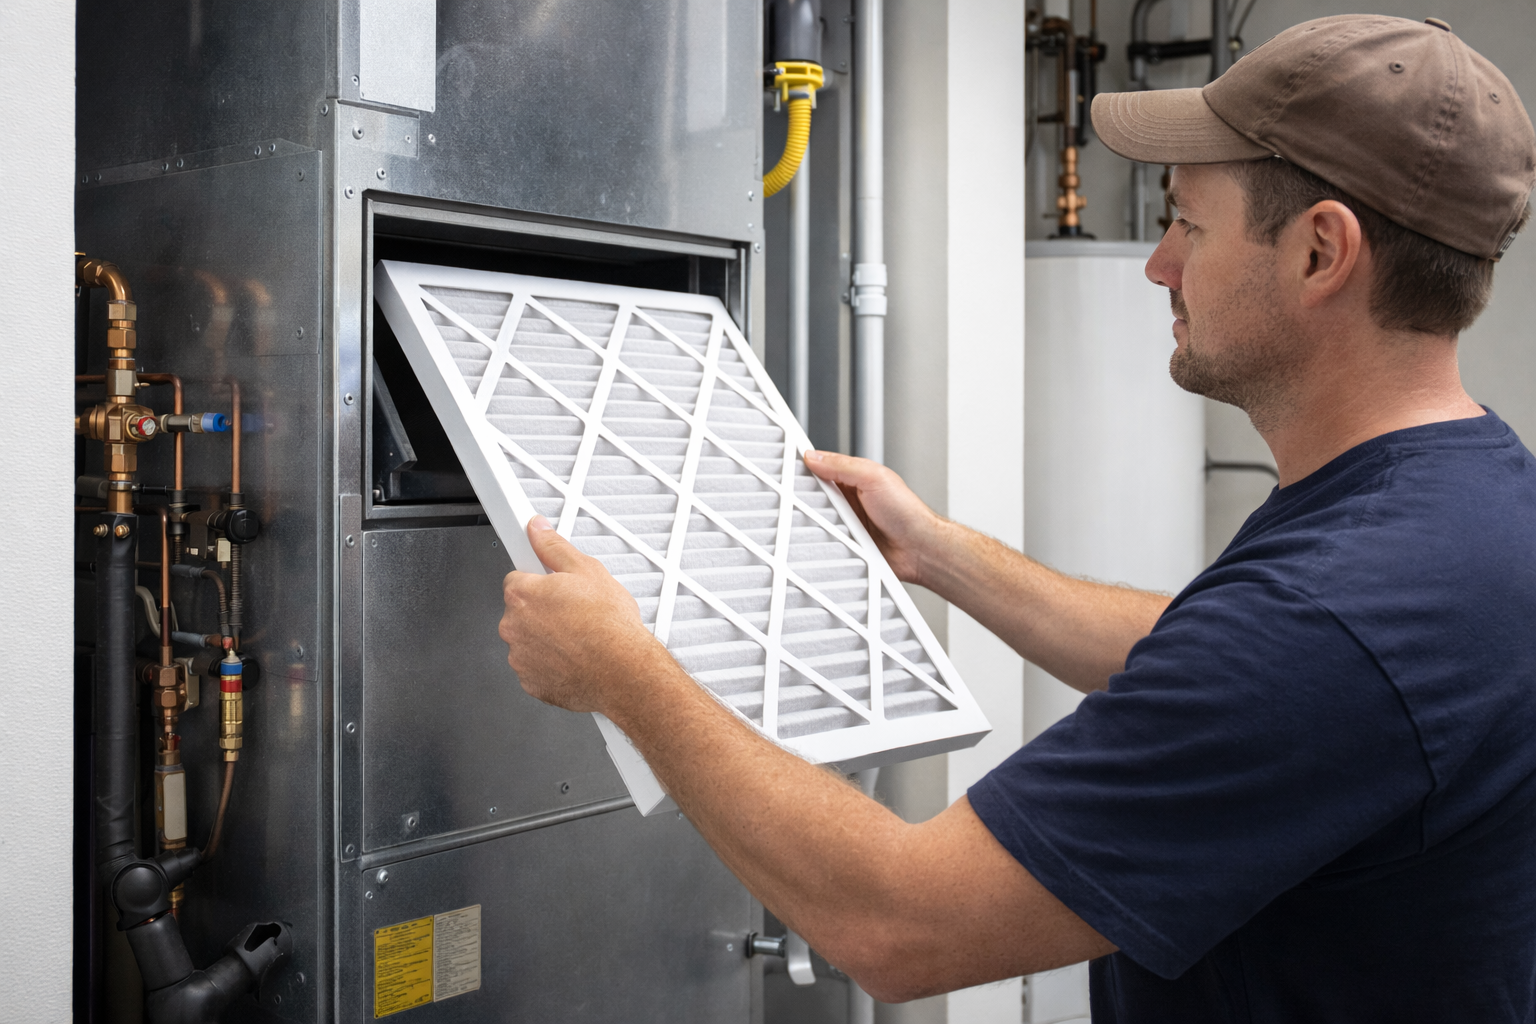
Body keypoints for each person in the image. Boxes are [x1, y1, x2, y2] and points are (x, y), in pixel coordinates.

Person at [498, 14, 1536, 1021]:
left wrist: (625, 675)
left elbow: (898, 922)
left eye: (1186, 223)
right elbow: (1208, 661)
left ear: (1322, 252)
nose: (1159, 266)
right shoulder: (1473, 505)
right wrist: (941, 552)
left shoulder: (1326, 620)